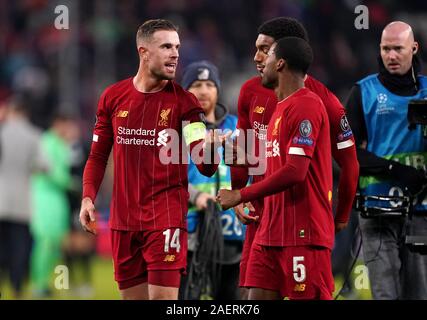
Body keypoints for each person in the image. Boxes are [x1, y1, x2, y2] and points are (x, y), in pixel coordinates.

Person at [79, 19, 224, 300]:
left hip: (165, 219)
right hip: (124, 222)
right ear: (144, 52)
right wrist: (88, 197)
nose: (175, 54)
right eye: (167, 46)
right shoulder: (113, 98)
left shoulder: (185, 104)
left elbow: (205, 167)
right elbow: (97, 155)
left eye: (177, 47)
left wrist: (207, 147)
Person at [229, 17, 359, 299]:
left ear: (282, 56)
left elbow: (350, 162)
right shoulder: (250, 91)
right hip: (262, 220)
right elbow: (241, 144)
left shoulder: (323, 102)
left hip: (302, 223)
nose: (257, 57)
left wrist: (342, 216)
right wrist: (238, 189)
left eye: (264, 49)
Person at [346, 21, 427, 300]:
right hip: (376, 209)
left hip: (421, 210)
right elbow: (344, 152)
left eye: (398, 49)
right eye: (385, 49)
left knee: (419, 294)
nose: (391, 56)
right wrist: (394, 169)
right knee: (385, 294)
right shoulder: (363, 92)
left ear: (413, 48)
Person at [178, 61, 243, 300]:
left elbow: (252, 175)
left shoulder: (238, 127)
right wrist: (197, 196)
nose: (203, 91)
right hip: (191, 233)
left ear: (217, 89)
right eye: (196, 85)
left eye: (209, 84)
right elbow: (164, 180)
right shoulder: (177, 130)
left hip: (233, 235)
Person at [0, 95, 47, 299]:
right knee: (20, 248)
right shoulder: (34, 135)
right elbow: (44, 166)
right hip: (22, 202)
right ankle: (17, 288)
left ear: (10, 111)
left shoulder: (2, 132)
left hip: (0, 199)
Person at [30, 114, 78, 298]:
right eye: (67, 126)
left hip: (57, 199)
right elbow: (52, 173)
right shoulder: (47, 142)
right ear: (59, 124)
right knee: (45, 242)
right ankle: (38, 283)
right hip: (44, 198)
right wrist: (74, 184)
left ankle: (48, 283)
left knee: (55, 243)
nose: (69, 131)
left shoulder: (60, 144)